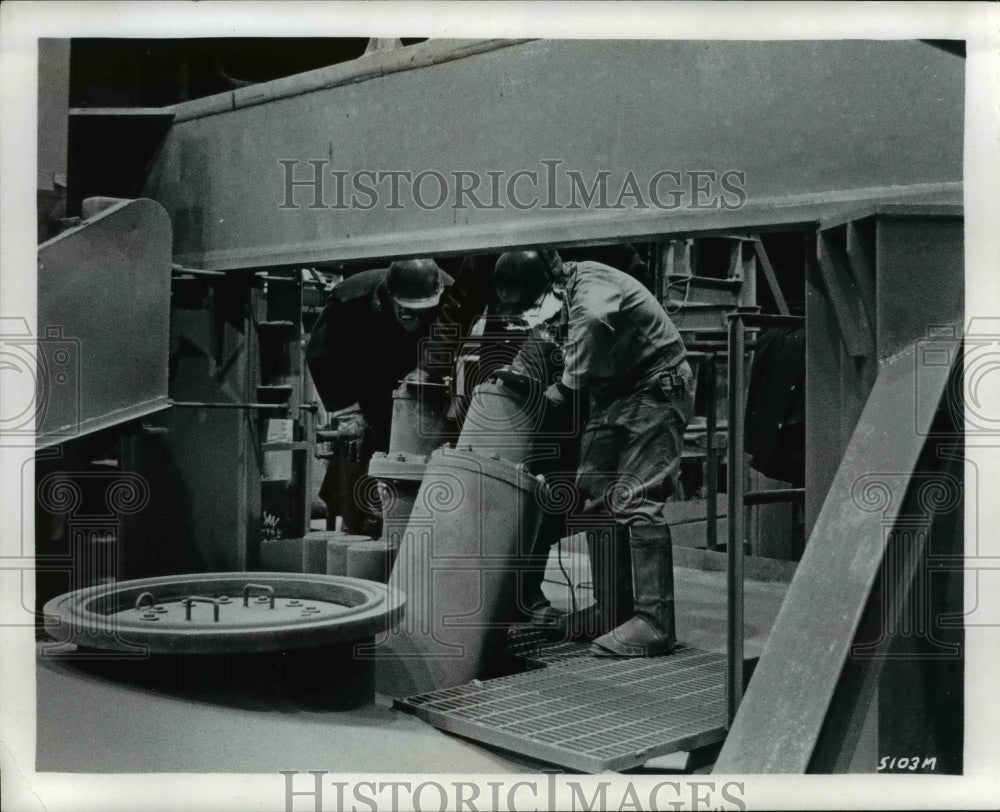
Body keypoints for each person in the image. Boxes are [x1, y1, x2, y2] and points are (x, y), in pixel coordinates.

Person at [542, 252, 694, 657]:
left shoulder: (590, 282)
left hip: (655, 387)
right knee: (593, 497)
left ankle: (655, 623)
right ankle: (613, 610)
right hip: (613, 394)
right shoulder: (561, 290)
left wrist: (567, 384)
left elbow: (591, 320)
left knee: (636, 498)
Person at [306, 259, 452, 532]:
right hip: (367, 397)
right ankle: (359, 532)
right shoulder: (350, 300)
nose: (417, 320)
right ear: (388, 297)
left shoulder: (450, 295)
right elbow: (321, 356)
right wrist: (350, 414)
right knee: (359, 468)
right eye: (407, 312)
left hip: (424, 397)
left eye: (424, 313)